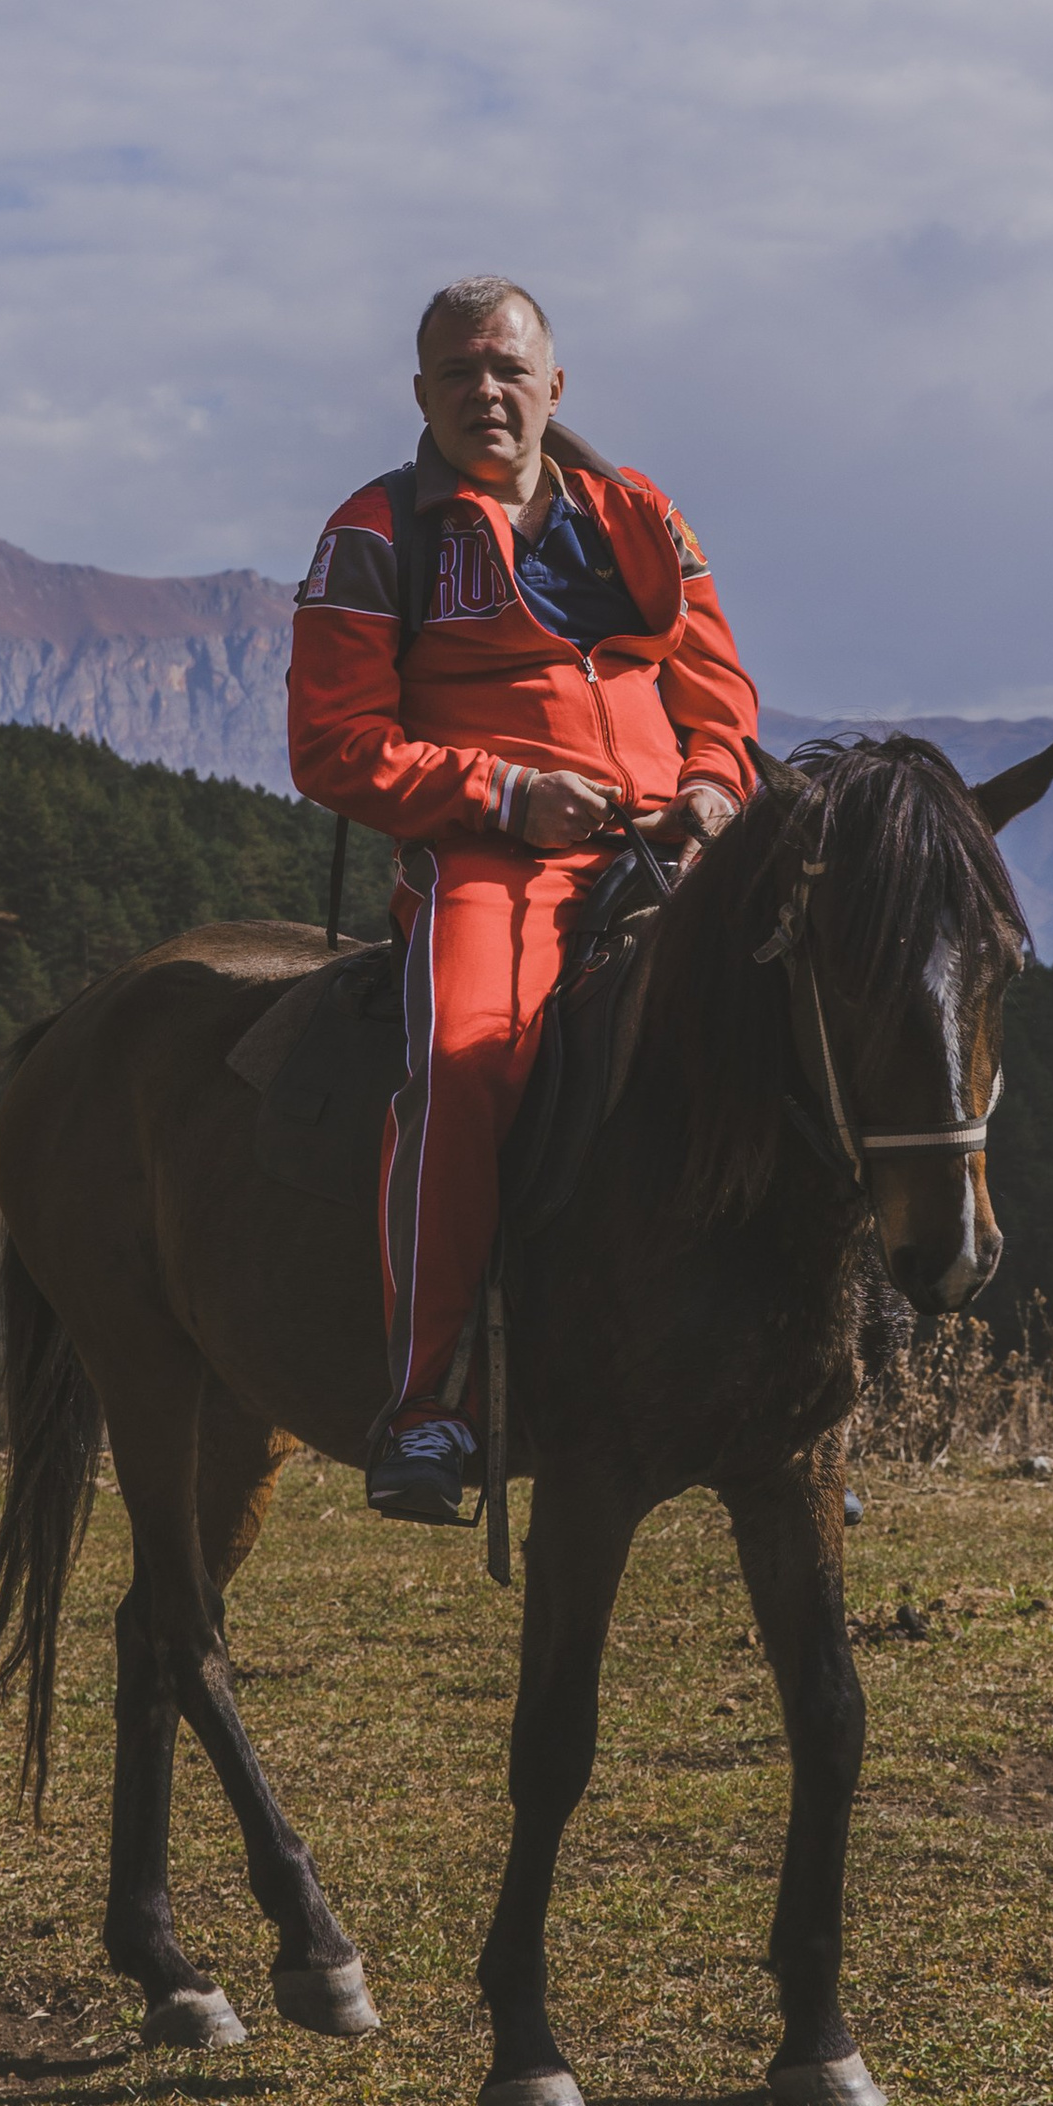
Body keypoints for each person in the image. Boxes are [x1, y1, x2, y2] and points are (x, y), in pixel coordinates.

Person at [288, 279, 761, 1525]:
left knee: (814, 1026)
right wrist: (503, 792)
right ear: (421, 395)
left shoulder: (642, 514)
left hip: (675, 840)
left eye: (507, 370)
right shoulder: (376, 532)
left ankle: (783, 1388)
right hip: (496, 854)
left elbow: (719, 697)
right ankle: (428, 1404)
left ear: (556, 386)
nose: (485, 393)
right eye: (457, 374)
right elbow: (333, 747)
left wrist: (712, 791)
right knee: (460, 1061)